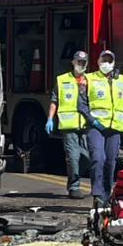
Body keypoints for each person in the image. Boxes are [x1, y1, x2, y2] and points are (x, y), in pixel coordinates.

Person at [80, 49, 123, 207]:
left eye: (109, 61)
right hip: (96, 127)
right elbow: (81, 103)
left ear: (114, 62)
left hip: (115, 127)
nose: (106, 64)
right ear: (98, 62)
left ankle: (107, 194)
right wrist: (92, 120)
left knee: (111, 162)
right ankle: (97, 194)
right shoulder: (88, 79)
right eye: (103, 60)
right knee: (98, 158)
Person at [47, 51, 89, 198]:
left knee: (87, 157)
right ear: (73, 62)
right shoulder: (62, 80)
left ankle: (73, 181)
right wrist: (50, 119)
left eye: (83, 63)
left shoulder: (90, 81)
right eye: (78, 62)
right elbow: (55, 101)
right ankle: (74, 187)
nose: (80, 65)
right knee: (73, 157)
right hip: (68, 125)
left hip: (86, 125)